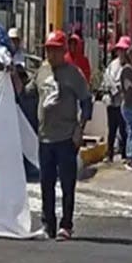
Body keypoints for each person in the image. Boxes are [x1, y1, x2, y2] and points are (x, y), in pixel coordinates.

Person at [13, 30, 92, 240]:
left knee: (67, 183)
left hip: (66, 137)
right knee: (46, 183)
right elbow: (27, 92)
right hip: (45, 137)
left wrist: (80, 128)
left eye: (55, 50)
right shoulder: (42, 71)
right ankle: (48, 224)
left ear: (63, 51)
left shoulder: (73, 74)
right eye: (48, 50)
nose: (51, 54)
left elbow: (86, 101)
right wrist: (13, 75)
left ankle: (67, 224)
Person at [101, 36, 130, 163]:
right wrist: (109, 87)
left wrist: (119, 87)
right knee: (111, 128)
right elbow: (106, 78)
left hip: (123, 102)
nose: (121, 53)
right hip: (112, 101)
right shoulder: (112, 64)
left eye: (124, 50)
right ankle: (110, 154)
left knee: (123, 129)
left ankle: (124, 153)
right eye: (120, 50)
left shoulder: (129, 67)